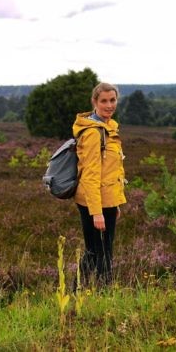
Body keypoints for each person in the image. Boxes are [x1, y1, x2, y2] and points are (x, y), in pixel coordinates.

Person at [72, 82, 126, 288]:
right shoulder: (94, 133)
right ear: (94, 102)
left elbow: (111, 171)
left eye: (112, 100)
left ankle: (76, 290)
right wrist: (97, 212)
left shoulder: (109, 127)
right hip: (95, 202)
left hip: (105, 200)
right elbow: (90, 176)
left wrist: (115, 203)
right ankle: (105, 295)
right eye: (104, 101)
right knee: (103, 252)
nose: (109, 105)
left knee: (95, 251)